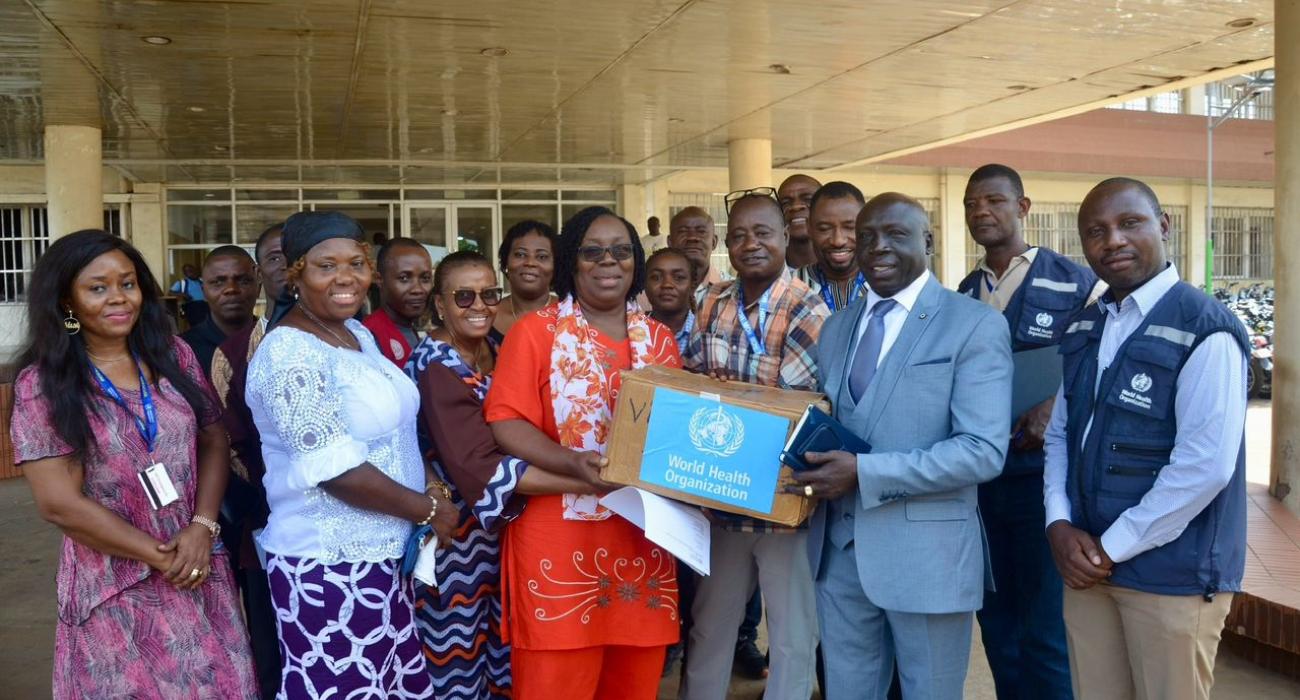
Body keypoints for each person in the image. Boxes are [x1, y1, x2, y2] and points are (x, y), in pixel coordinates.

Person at [10, 229, 257, 698]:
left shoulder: (172, 354)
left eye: (127, 283)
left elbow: (213, 438)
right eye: (97, 288)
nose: (118, 298)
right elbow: (59, 504)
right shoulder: (42, 384)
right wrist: (158, 555)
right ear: (67, 301)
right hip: (115, 588)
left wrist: (203, 526)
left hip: (198, 568)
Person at [791, 193, 1012, 699]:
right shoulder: (837, 327)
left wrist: (865, 473)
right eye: (866, 237)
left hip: (928, 559)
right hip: (839, 555)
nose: (877, 248)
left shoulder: (974, 324)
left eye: (895, 234)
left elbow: (982, 450)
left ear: (928, 241)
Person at [1044, 178, 1248, 700]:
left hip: (1170, 575)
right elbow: (1060, 436)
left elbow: (1205, 467)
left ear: (1163, 225)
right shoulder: (1085, 326)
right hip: (1089, 569)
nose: (1112, 240)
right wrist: (1059, 522)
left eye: (1128, 223)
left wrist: (1109, 548)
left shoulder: (1206, 327)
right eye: (1095, 231)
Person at [244, 211, 458, 699]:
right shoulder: (289, 354)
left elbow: (397, 429)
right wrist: (428, 509)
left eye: (356, 263)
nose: (346, 278)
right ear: (296, 273)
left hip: (384, 558)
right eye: (326, 266)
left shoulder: (355, 335)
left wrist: (431, 488)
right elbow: (335, 470)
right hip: (328, 567)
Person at [485, 206, 683, 700]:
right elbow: (505, 420)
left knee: (633, 683)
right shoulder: (535, 332)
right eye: (593, 252)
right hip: (557, 540)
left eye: (620, 251)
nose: (608, 262)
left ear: (635, 261)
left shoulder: (659, 339)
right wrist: (569, 460)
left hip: (642, 539)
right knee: (554, 683)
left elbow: (676, 431)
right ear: (573, 262)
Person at [404, 251, 593, 699]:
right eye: (464, 296)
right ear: (440, 305)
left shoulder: (499, 348)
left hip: (504, 533)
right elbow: (476, 464)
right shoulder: (435, 366)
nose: (479, 306)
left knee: (503, 650)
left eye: (490, 294)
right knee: (458, 656)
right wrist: (586, 480)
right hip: (456, 537)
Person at [953, 164, 1096, 700]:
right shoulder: (965, 293)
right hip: (982, 481)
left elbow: (1104, 359)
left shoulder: (1075, 279)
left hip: (1042, 482)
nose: (982, 211)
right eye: (972, 204)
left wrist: (1054, 404)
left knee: (1044, 627)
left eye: (994, 200)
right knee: (996, 620)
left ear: (1023, 207)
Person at [680, 192, 829, 700]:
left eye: (763, 233)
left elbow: (789, 407)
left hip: (782, 499)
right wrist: (723, 399)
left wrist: (721, 398)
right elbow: (691, 388)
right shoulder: (711, 301)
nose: (751, 244)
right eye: (739, 235)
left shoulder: (808, 307)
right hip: (720, 498)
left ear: (787, 237)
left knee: (791, 634)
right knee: (709, 626)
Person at [210, 221, 289, 698]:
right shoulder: (233, 352)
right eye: (277, 257)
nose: (289, 266)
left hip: (354, 525)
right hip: (265, 523)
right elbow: (231, 445)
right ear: (264, 271)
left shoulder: (356, 342)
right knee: (271, 648)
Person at [180, 245, 259, 376]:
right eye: (218, 282)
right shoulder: (183, 351)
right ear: (203, 291)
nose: (231, 289)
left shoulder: (278, 343)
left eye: (243, 281)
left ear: (258, 287)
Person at [796, 181, 869, 313]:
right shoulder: (790, 286)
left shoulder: (890, 285)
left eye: (849, 227)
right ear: (809, 228)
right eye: (824, 229)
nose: (838, 241)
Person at [362, 237, 434, 366]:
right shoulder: (369, 336)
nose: (418, 289)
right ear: (379, 279)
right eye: (404, 278)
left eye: (425, 278)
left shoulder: (408, 327)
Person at [493, 219, 558, 341]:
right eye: (520, 255)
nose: (530, 263)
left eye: (542, 257)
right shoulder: (488, 314)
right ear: (506, 261)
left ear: (555, 266)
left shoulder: (570, 315)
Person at [666, 206, 731, 306]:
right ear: (670, 242)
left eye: (701, 232)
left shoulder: (733, 291)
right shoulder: (649, 292)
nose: (692, 237)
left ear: (714, 242)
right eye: (683, 231)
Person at [643, 247, 699, 353]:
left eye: (678, 277)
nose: (667, 284)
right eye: (656, 277)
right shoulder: (633, 331)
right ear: (644, 284)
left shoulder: (704, 333)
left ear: (693, 285)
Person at [778, 174, 822, 269]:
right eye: (785, 203)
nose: (795, 206)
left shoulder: (853, 269)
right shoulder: (764, 274)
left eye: (808, 199)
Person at [171, 262, 209, 326]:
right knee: (197, 325)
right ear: (185, 273)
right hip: (192, 306)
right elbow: (170, 292)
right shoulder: (182, 282)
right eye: (189, 271)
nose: (192, 273)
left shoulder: (201, 281)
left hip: (205, 305)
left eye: (193, 270)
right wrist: (183, 294)